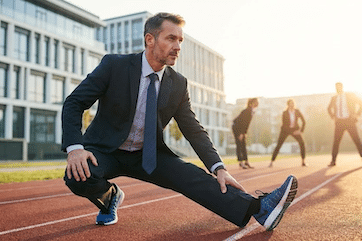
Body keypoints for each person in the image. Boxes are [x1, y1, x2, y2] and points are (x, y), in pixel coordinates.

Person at [62, 12, 298, 231]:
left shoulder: (178, 84)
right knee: (77, 174)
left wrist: (219, 168)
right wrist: (75, 148)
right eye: (171, 38)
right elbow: (74, 103)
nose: (177, 47)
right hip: (106, 150)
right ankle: (111, 196)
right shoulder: (115, 65)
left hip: (149, 154)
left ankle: (261, 209)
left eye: (180, 41)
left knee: (194, 177)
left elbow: (192, 128)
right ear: (150, 40)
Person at [327, 82, 362, 167]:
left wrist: (357, 114)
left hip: (350, 121)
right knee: (336, 142)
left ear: (342, 87)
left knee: (357, 140)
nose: (337, 88)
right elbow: (329, 108)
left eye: (339, 87)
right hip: (339, 123)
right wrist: (333, 116)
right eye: (336, 87)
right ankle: (333, 161)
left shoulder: (350, 95)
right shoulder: (334, 98)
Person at [269, 99, 306, 167]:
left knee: (302, 143)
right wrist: (291, 131)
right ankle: (272, 161)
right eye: (290, 103)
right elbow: (284, 124)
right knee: (279, 144)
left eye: (293, 103)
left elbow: (303, 121)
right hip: (285, 130)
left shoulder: (297, 111)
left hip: (295, 130)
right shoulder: (284, 113)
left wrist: (300, 131)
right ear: (288, 105)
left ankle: (303, 161)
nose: (292, 105)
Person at [232, 98, 259, 169]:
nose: (257, 103)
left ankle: (246, 161)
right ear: (251, 103)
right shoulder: (248, 110)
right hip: (236, 127)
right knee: (239, 144)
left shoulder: (251, 110)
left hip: (241, 128)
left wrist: (244, 133)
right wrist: (241, 133)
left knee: (243, 144)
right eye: (255, 102)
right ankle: (241, 162)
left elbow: (247, 124)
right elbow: (243, 122)